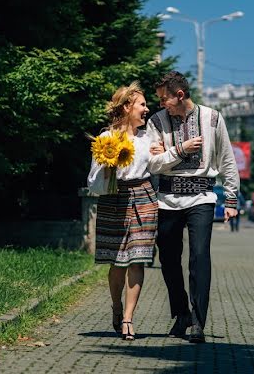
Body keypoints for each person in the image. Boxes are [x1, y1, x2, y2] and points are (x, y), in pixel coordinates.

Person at [146, 71, 240, 344]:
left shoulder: (212, 118)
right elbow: (153, 165)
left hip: (202, 197)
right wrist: (181, 150)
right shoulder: (156, 122)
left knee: (199, 257)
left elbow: (226, 159)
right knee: (169, 260)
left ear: (180, 95)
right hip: (167, 199)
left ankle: (199, 321)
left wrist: (231, 199)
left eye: (164, 99)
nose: (161, 104)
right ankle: (181, 313)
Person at [87, 82, 159, 341]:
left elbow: (159, 166)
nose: (146, 109)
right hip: (114, 199)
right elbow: (92, 182)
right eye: (142, 104)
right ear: (127, 107)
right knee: (117, 262)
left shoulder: (149, 139)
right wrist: (109, 167)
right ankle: (116, 307)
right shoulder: (106, 139)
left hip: (144, 198)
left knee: (138, 259)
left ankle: (128, 317)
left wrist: (164, 154)